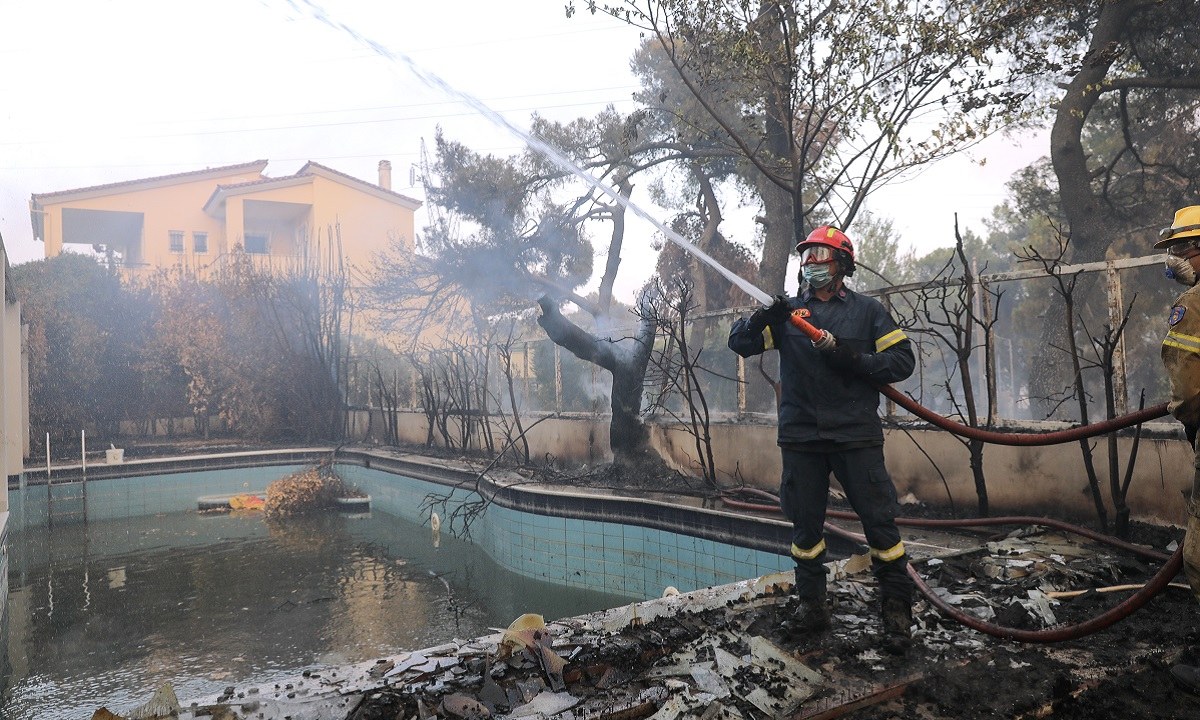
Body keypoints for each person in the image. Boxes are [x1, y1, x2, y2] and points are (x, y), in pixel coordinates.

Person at [727, 225, 917, 653]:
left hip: (855, 437)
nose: (812, 264)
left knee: (881, 526)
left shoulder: (868, 312)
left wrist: (852, 357)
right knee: (805, 528)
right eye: (807, 256)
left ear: (842, 265)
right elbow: (739, 343)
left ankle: (897, 610)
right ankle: (812, 606)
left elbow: (902, 360)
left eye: (821, 256)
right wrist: (763, 317)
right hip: (801, 438)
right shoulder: (791, 313)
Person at [1154, 204, 1200, 691]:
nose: (1172, 259)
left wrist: (1188, 420)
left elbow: (1187, 385)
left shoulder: (1194, 303)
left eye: (1177, 249)